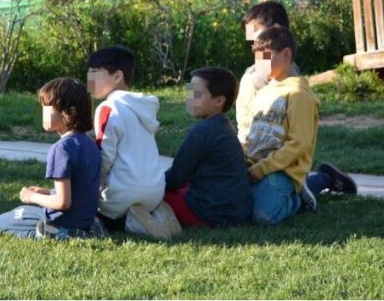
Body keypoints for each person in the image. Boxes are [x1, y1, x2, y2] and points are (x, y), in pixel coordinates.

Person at [237, 2, 357, 202]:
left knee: (273, 197)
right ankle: (323, 179)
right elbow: (246, 127)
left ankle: (317, 183)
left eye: (256, 32)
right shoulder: (253, 79)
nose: (252, 41)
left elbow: (297, 136)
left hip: (282, 160)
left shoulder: (291, 78)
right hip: (256, 155)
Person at [0, 77, 103, 240]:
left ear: (70, 113)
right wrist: (45, 192)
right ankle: (88, 230)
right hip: (84, 219)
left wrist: (32, 197)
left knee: (1, 222)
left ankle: (54, 233)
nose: (43, 112)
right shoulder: (90, 144)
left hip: (62, 220)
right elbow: (79, 189)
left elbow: (62, 203)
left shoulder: (61, 149)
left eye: (47, 107)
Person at [86, 46, 170, 236]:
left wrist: (88, 188)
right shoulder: (142, 108)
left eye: (95, 73)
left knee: (86, 206)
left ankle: (127, 222)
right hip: (155, 193)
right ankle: (154, 215)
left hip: (122, 196)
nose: (89, 80)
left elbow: (103, 158)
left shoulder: (108, 108)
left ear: (117, 76)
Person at [245, 25, 319, 225]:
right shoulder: (262, 92)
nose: (258, 65)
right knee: (236, 209)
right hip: (255, 167)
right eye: (256, 58)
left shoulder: (298, 94)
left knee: (263, 216)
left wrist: (261, 170)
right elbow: (252, 135)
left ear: (286, 55)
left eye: (265, 57)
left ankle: (299, 199)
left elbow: (299, 144)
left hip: (281, 171)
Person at [164, 67, 253, 227]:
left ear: (219, 101)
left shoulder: (202, 131)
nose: (189, 98)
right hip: (237, 211)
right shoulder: (224, 126)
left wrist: (150, 185)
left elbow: (175, 178)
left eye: (196, 94)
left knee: (154, 196)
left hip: (211, 214)